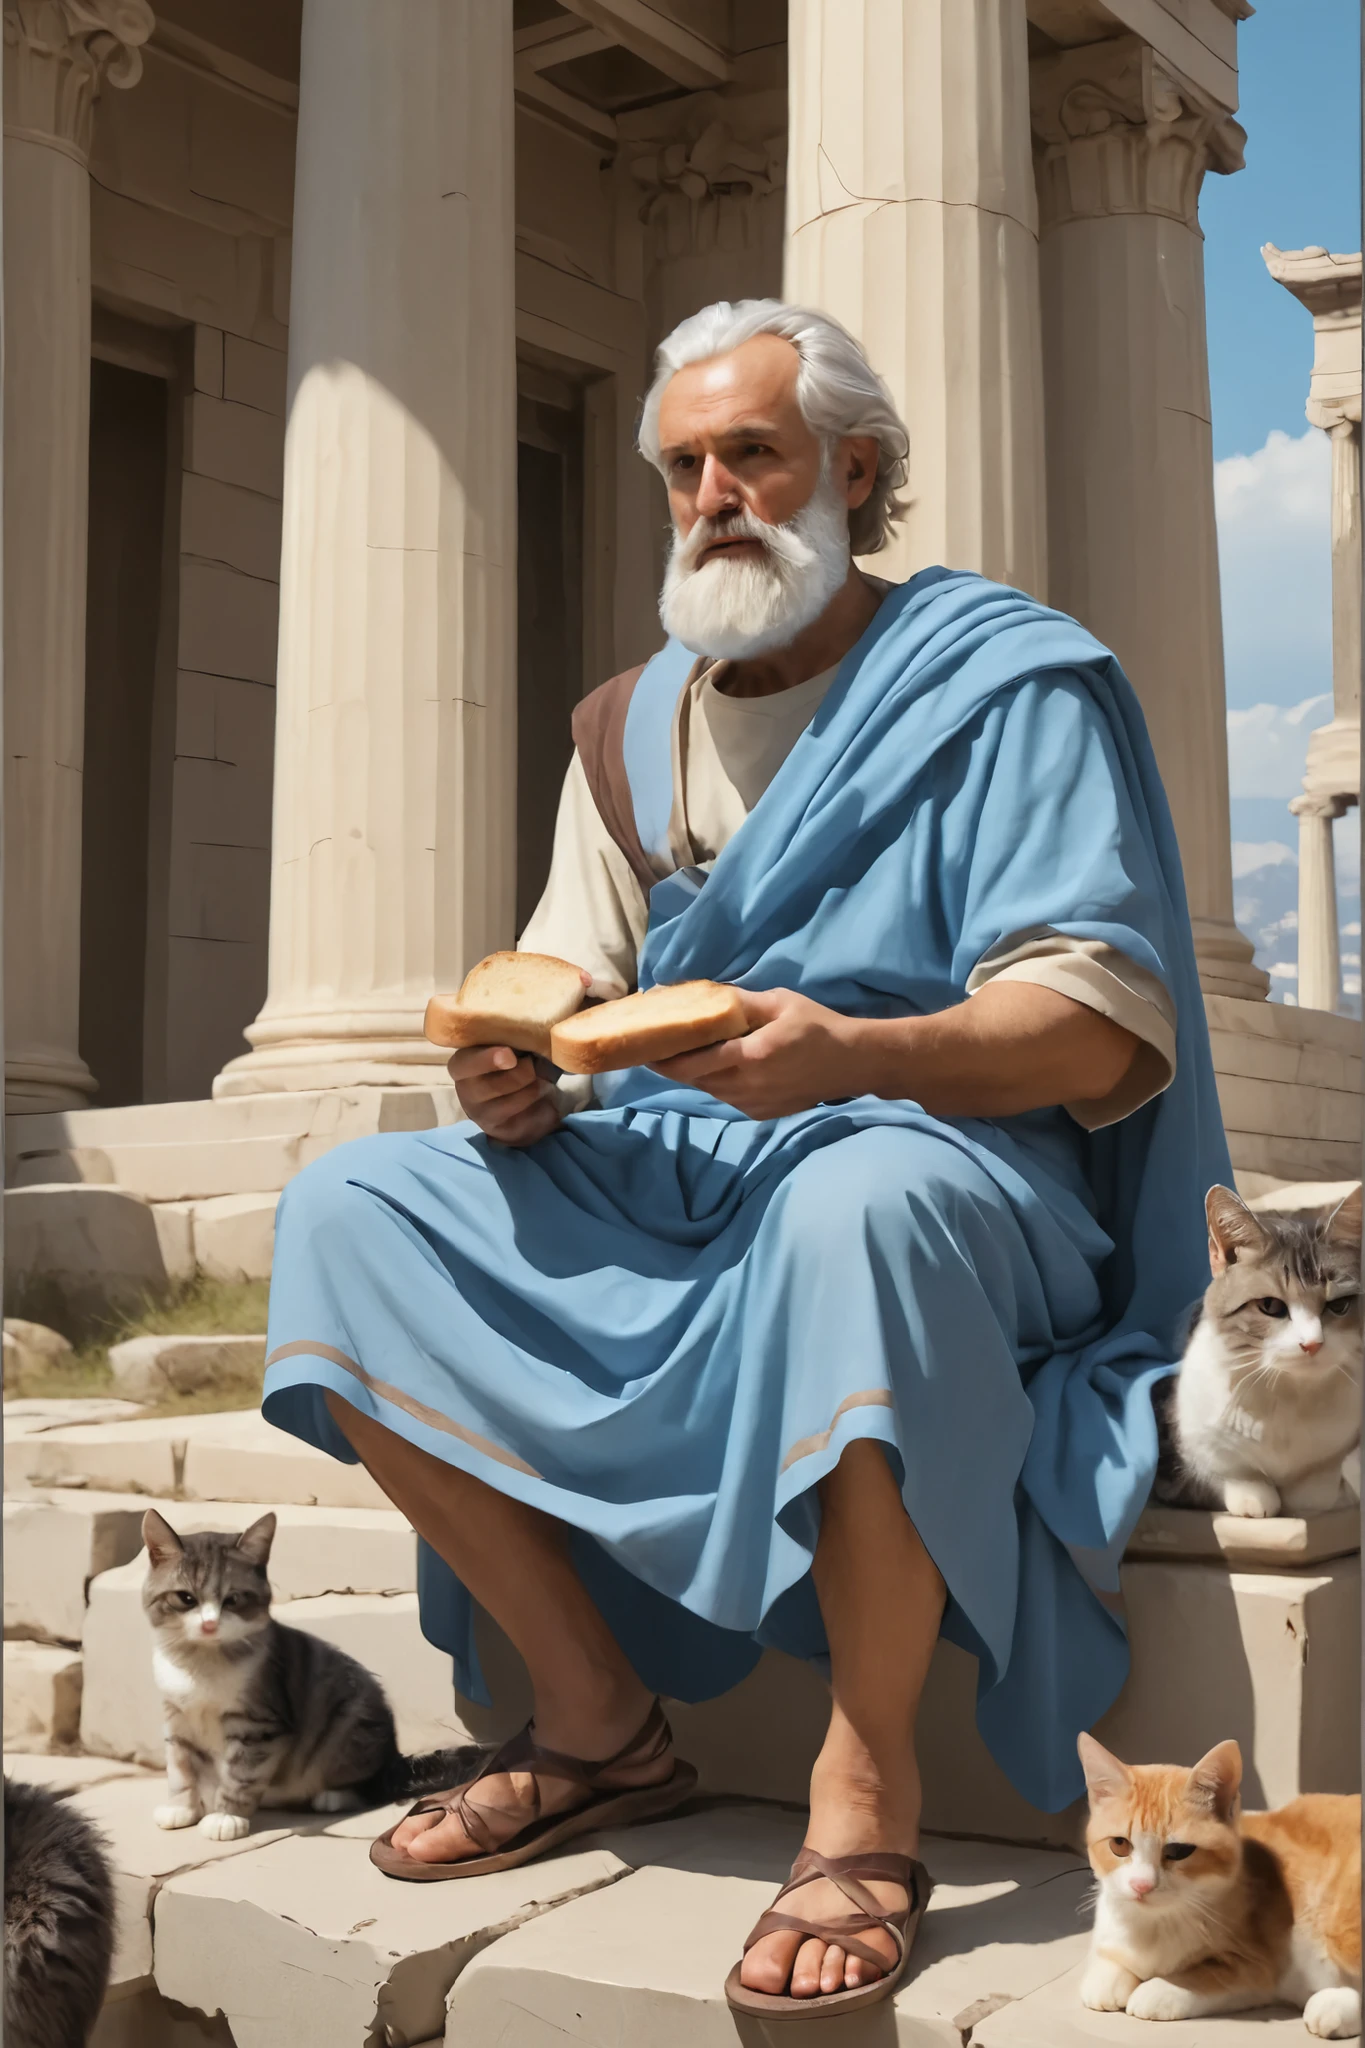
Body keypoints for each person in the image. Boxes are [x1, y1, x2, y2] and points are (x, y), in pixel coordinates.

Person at [262, 299, 1231, 2017]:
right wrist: (518, 1060)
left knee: (854, 1209)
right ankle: (594, 1722)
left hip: (947, 1158)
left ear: (853, 473)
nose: (713, 494)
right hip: (686, 1154)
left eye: (752, 455)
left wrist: (856, 1055)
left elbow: (1094, 1023)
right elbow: (570, 968)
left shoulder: (1002, 681)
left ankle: (868, 1793)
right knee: (352, 1204)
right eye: (683, 466)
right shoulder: (630, 728)